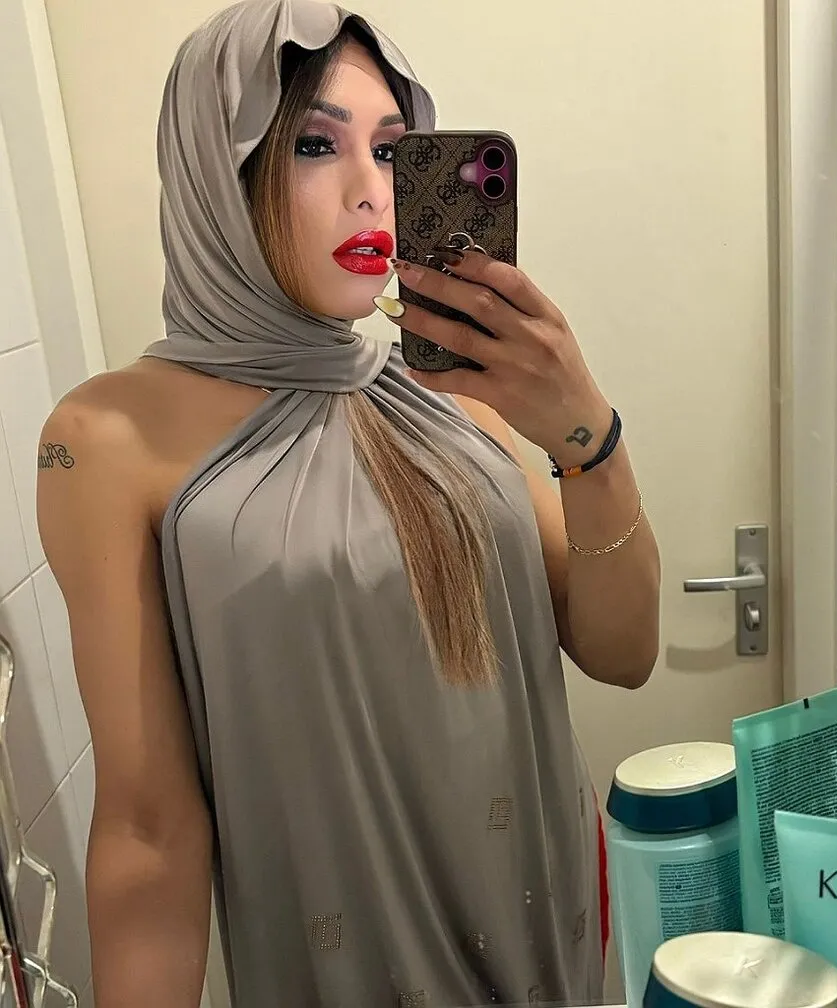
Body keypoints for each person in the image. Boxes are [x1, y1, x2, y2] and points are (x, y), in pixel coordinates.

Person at [35, 1, 661, 1005]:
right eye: (316, 145)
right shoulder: (106, 437)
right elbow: (150, 833)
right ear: (216, 170)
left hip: (549, 946)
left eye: (393, 150)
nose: (372, 190)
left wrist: (587, 434)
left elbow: (623, 652)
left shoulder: (456, 395)